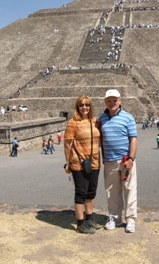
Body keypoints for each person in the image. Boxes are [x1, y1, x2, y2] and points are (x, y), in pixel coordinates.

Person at [99, 89, 138, 233]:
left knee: (129, 189)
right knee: (111, 191)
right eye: (109, 100)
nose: (112, 103)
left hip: (125, 160)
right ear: (105, 102)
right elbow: (101, 140)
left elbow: (133, 138)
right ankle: (114, 217)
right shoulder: (102, 118)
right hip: (109, 160)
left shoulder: (128, 117)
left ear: (120, 101)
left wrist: (131, 158)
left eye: (114, 100)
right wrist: (103, 158)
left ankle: (131, 219)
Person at [64, 95, 102, 234]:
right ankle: (80, 223)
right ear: (77, 107)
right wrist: (68, 162)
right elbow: (67, 144)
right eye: (81, 105)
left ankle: (89, 218)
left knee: (91, 191)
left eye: (87, 105)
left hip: (94, 161)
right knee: (81, 192)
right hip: (79, 163)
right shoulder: (73, 123)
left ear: (91, 107)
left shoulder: (95, 122)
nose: (84, 107)